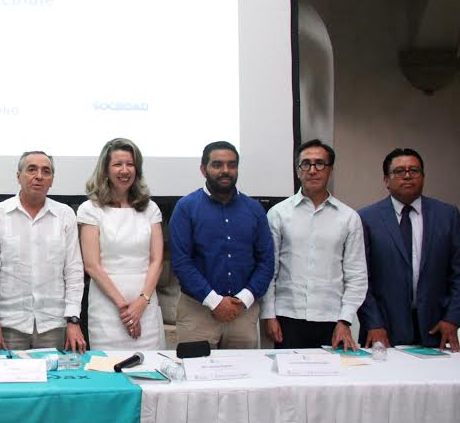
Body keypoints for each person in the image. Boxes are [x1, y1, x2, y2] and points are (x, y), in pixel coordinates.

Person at [358, 148, 460, 350]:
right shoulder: (366, 218)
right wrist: (373, 322)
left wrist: (452, 318)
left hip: (436, 328)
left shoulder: (447, 215)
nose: (408, 175)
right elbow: (360, 277)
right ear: (386, 180)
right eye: (399, 171)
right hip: (383, 329)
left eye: (414, 170)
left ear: (423, 177)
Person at [261, 139, 366, 350]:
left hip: (332, 319)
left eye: (319, 164)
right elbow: (269, 270)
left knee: (333, 372)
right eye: (305, 164)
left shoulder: (349, 217)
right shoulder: (278, 214)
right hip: (286, 317)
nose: (312, 170)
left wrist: (345, 320)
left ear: (330, 170)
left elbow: (356, 274)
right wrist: (269, 314)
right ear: (297, 170)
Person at [169, 140, 274, 350]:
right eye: (217, 165)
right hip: (198, 311)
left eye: (231, 165)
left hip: (242, 311)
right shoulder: (186, 208)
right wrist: (215, 302)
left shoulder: (254, 209)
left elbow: (266, 261)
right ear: (203, 169)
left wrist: (243, 299)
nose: (225, 170)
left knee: (244, 371)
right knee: (195, 370)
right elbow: (181, 262)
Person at [0, 151, 85, 353]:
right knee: (7, 373)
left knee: (54, 374)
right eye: (32, 170)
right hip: (8, 325)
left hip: (53, 324)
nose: (39, 176)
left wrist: (73, 320)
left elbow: (74, 271)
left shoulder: (65, 215)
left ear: (52, 180)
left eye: (46, 171)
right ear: (18, 176)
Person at [76, 138, 164, 350]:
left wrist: (142, 302)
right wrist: (124, 308)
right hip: (107, 307)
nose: (124, 170)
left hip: (146, 305)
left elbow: (157, 260)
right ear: (105, 169)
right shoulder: (90, 209)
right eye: (117, 164)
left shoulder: (150, 208)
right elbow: (92, 265)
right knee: (108, 366)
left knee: (152, 365)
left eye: (130, 164)